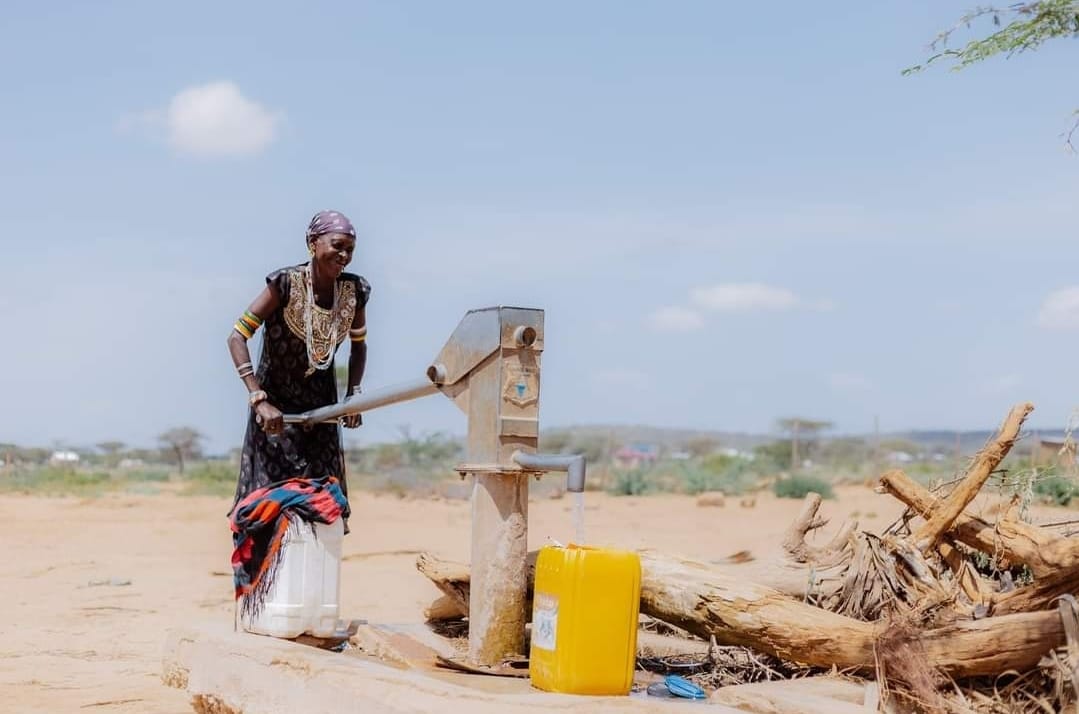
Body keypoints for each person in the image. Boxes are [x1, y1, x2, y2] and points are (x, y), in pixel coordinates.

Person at [226, 209, 370, 530]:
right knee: (269, 506)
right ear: (312, 243)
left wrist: (353, 397)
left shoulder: (354, 292)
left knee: (322, 501)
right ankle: (267, 576)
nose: (344, 255)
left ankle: (312, 579)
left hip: (321, 411)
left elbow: (359, 346)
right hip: (274, 411)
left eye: (350, 249)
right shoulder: (284, 284)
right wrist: (258, 398)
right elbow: (237, 337)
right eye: (337, 246)